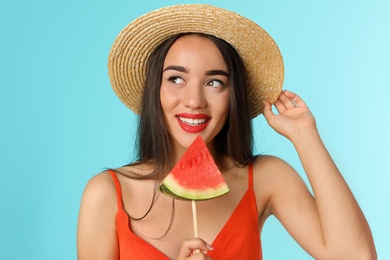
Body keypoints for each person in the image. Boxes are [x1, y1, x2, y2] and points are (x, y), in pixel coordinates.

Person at [77, 4, 376, 260]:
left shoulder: (265, 179)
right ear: (155, 89)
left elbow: (356, 255)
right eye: (176, 79)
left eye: (214, 82)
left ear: (233, 96)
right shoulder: (105, 194)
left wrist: (305, 136)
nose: (194, 101)